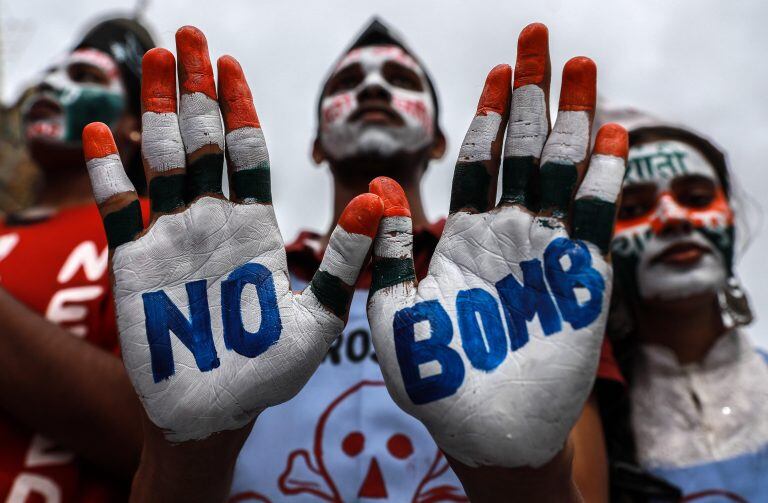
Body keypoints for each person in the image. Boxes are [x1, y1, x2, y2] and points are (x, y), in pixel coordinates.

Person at [83, 20, 629, 502]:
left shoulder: (525, 285)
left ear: (439, 142)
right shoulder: (210, 290)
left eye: (401, 80)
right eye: (348, 83)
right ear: (316, 144)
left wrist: (522, 480)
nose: (372, 87)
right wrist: (188, 454)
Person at [0, 16, 154, 502]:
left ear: (135, 128)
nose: (51, 83)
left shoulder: (154, 228)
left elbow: (158, 440)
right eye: (49, 71)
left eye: (85, 77)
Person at [598, 107, 767, 501]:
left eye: (696, 198)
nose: (672, 218)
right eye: (634, 210)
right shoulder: (585, 425)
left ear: (731, 216)